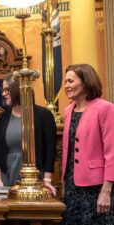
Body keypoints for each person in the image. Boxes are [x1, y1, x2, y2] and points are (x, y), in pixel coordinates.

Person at [61, 64, 114, 224]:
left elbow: (112, 152)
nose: (66, 86)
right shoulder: (68, 110)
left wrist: (106, 191)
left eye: (70, 81)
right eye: (65, 82)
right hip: (72, 185)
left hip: (96, 187)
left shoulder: (105, 108)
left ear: (85, 82)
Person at [0, 75, 57, 195]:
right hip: (7, 178)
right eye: (3, 90)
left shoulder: (44, 115)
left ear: (18, 89)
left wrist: (47, 180)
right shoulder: (1, 118)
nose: (3, 94)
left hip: (37, 180)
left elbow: (50, 150)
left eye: (7, 90)